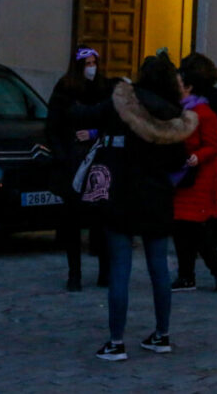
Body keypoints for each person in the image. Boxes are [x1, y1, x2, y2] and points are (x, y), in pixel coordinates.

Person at [70, 53, 197, 361]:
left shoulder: (121, 102)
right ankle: (162, 335)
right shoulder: (172, 115)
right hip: (157, 197)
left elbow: (85, 115)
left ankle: (116, 342)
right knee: (159, 267)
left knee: (120, 268)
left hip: (120, 193)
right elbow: (177, 162)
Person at [46, 45, 112, 291]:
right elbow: (53, 126)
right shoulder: (65, 89)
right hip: (72, 161)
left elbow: (112, 119)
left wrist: (95, 134)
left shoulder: (104, 87)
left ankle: (104, 271)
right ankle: (74, 273)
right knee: (72, 221)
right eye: (87, 64)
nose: (91, 68)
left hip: (99, 159)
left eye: (94, 63)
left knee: (102, 219)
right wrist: (62, 155)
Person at [171, 66, 217, 294]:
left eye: (178, 83)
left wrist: (197, 156)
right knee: (179, 229)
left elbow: (212, 146)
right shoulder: (177, 111)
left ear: (188, 87)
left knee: (198, 231)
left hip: (199, 179)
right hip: (180, 177)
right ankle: (186, 276)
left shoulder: (204, 113)